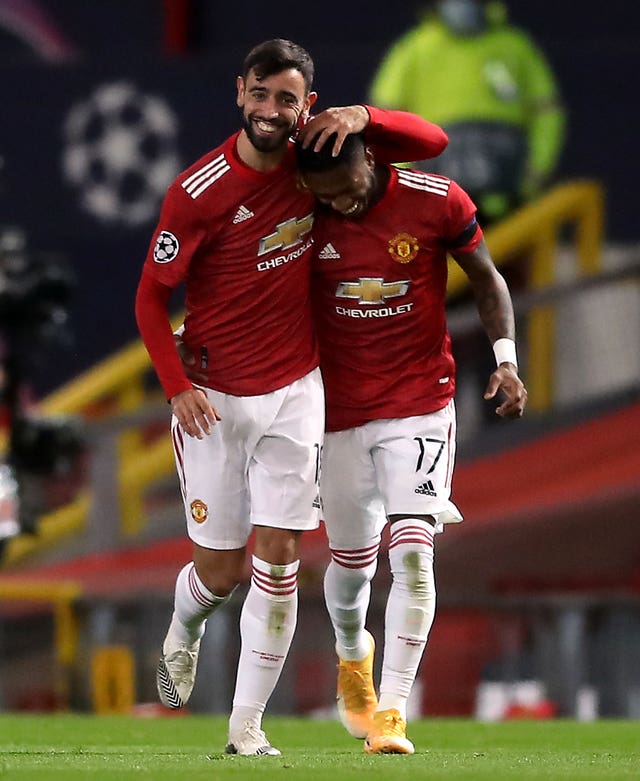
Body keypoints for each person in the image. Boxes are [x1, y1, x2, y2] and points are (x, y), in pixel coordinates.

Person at [135, 38, 448, 756]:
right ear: (239, 92)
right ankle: (183, 627)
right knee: (220, 573)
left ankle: (246, 730)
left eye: (288, 99)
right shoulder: (198, 191)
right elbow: (151, 300)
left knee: (277, 563)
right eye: (261, 94)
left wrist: (362, 115)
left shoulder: (317, 157)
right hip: (213, 399)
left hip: (296, 392)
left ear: (306, 104)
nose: (272, 111)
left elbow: (432, 142)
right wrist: (178, 388)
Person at [293, 130, 527, 753]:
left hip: (419, 404)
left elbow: (486, 277)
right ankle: (353, 659)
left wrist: (505, 359)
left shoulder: (437, 199)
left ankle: (393, 711)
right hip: (334, 414)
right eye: (327, 197)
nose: (340, 205)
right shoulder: (299, 212)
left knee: (415, 555)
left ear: (370, 158)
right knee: (351, 570)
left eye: (349, 190)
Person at [369, 0, 566, 225]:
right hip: (435, 194)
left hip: (509, 195)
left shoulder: (515, 47)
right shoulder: (414, 49)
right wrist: (401, 180)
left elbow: (547, 112)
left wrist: (538, 170)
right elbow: (386, 120)